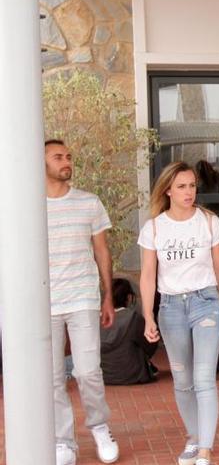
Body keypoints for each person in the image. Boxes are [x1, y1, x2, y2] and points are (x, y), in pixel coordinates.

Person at [138, 161, 219, 465]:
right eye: (181, 187)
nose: (189, 192)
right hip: (170, 308)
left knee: (204, 378)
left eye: (192, 186)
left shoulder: (209, 221)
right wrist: (149, 317)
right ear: (168, 190)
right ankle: (194, 437)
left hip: (206, 303)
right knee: (182, 380)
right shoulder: (153, 227)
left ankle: (205, 450)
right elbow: (148, 275)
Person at [44, 139, 120, 465]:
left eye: (68, 156)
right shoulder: (27, 206)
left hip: (83, 298)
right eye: (58, 157)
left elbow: (102, 251)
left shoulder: (89, 203)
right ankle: (64, 441)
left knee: (88, 371)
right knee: (52, 377)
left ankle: (100, 426)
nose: (66, 161)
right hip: (43, 304)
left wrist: (107, 296)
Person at [100, 278, 158, 385]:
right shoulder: (133, 318)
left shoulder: (96, 320)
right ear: (128, 297)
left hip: (103, 376)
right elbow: (150, 345)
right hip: (132, 375)